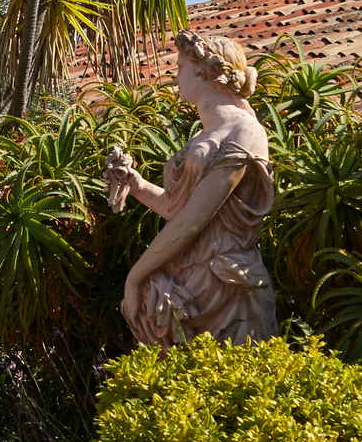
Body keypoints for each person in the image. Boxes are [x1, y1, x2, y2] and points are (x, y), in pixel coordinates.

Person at [105, 29, 279, 347]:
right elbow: (176, 210)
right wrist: (136, 183)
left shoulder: (246, 131)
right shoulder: (201, 137)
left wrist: (136, 276)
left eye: (179, 67)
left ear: (204, 70)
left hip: (227, 287)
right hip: (187, 288)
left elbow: (192, 222)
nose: (175, 79)